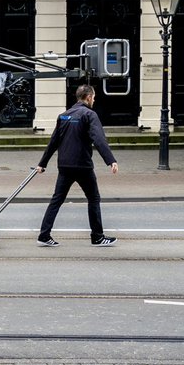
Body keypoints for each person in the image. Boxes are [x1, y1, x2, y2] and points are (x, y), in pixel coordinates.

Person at [36, 84, 119, 247]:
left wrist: (42, 164)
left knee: (57, 200)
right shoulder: (89, 115)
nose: (94, 100)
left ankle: (44, 235)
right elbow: (99, 139)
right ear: (88, 97)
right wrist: (111, 160)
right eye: (94, 97)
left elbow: (53, 142)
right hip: (82, 166)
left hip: (65, 165)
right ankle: (97, 236)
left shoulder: (64, 116)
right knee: (94, 198)